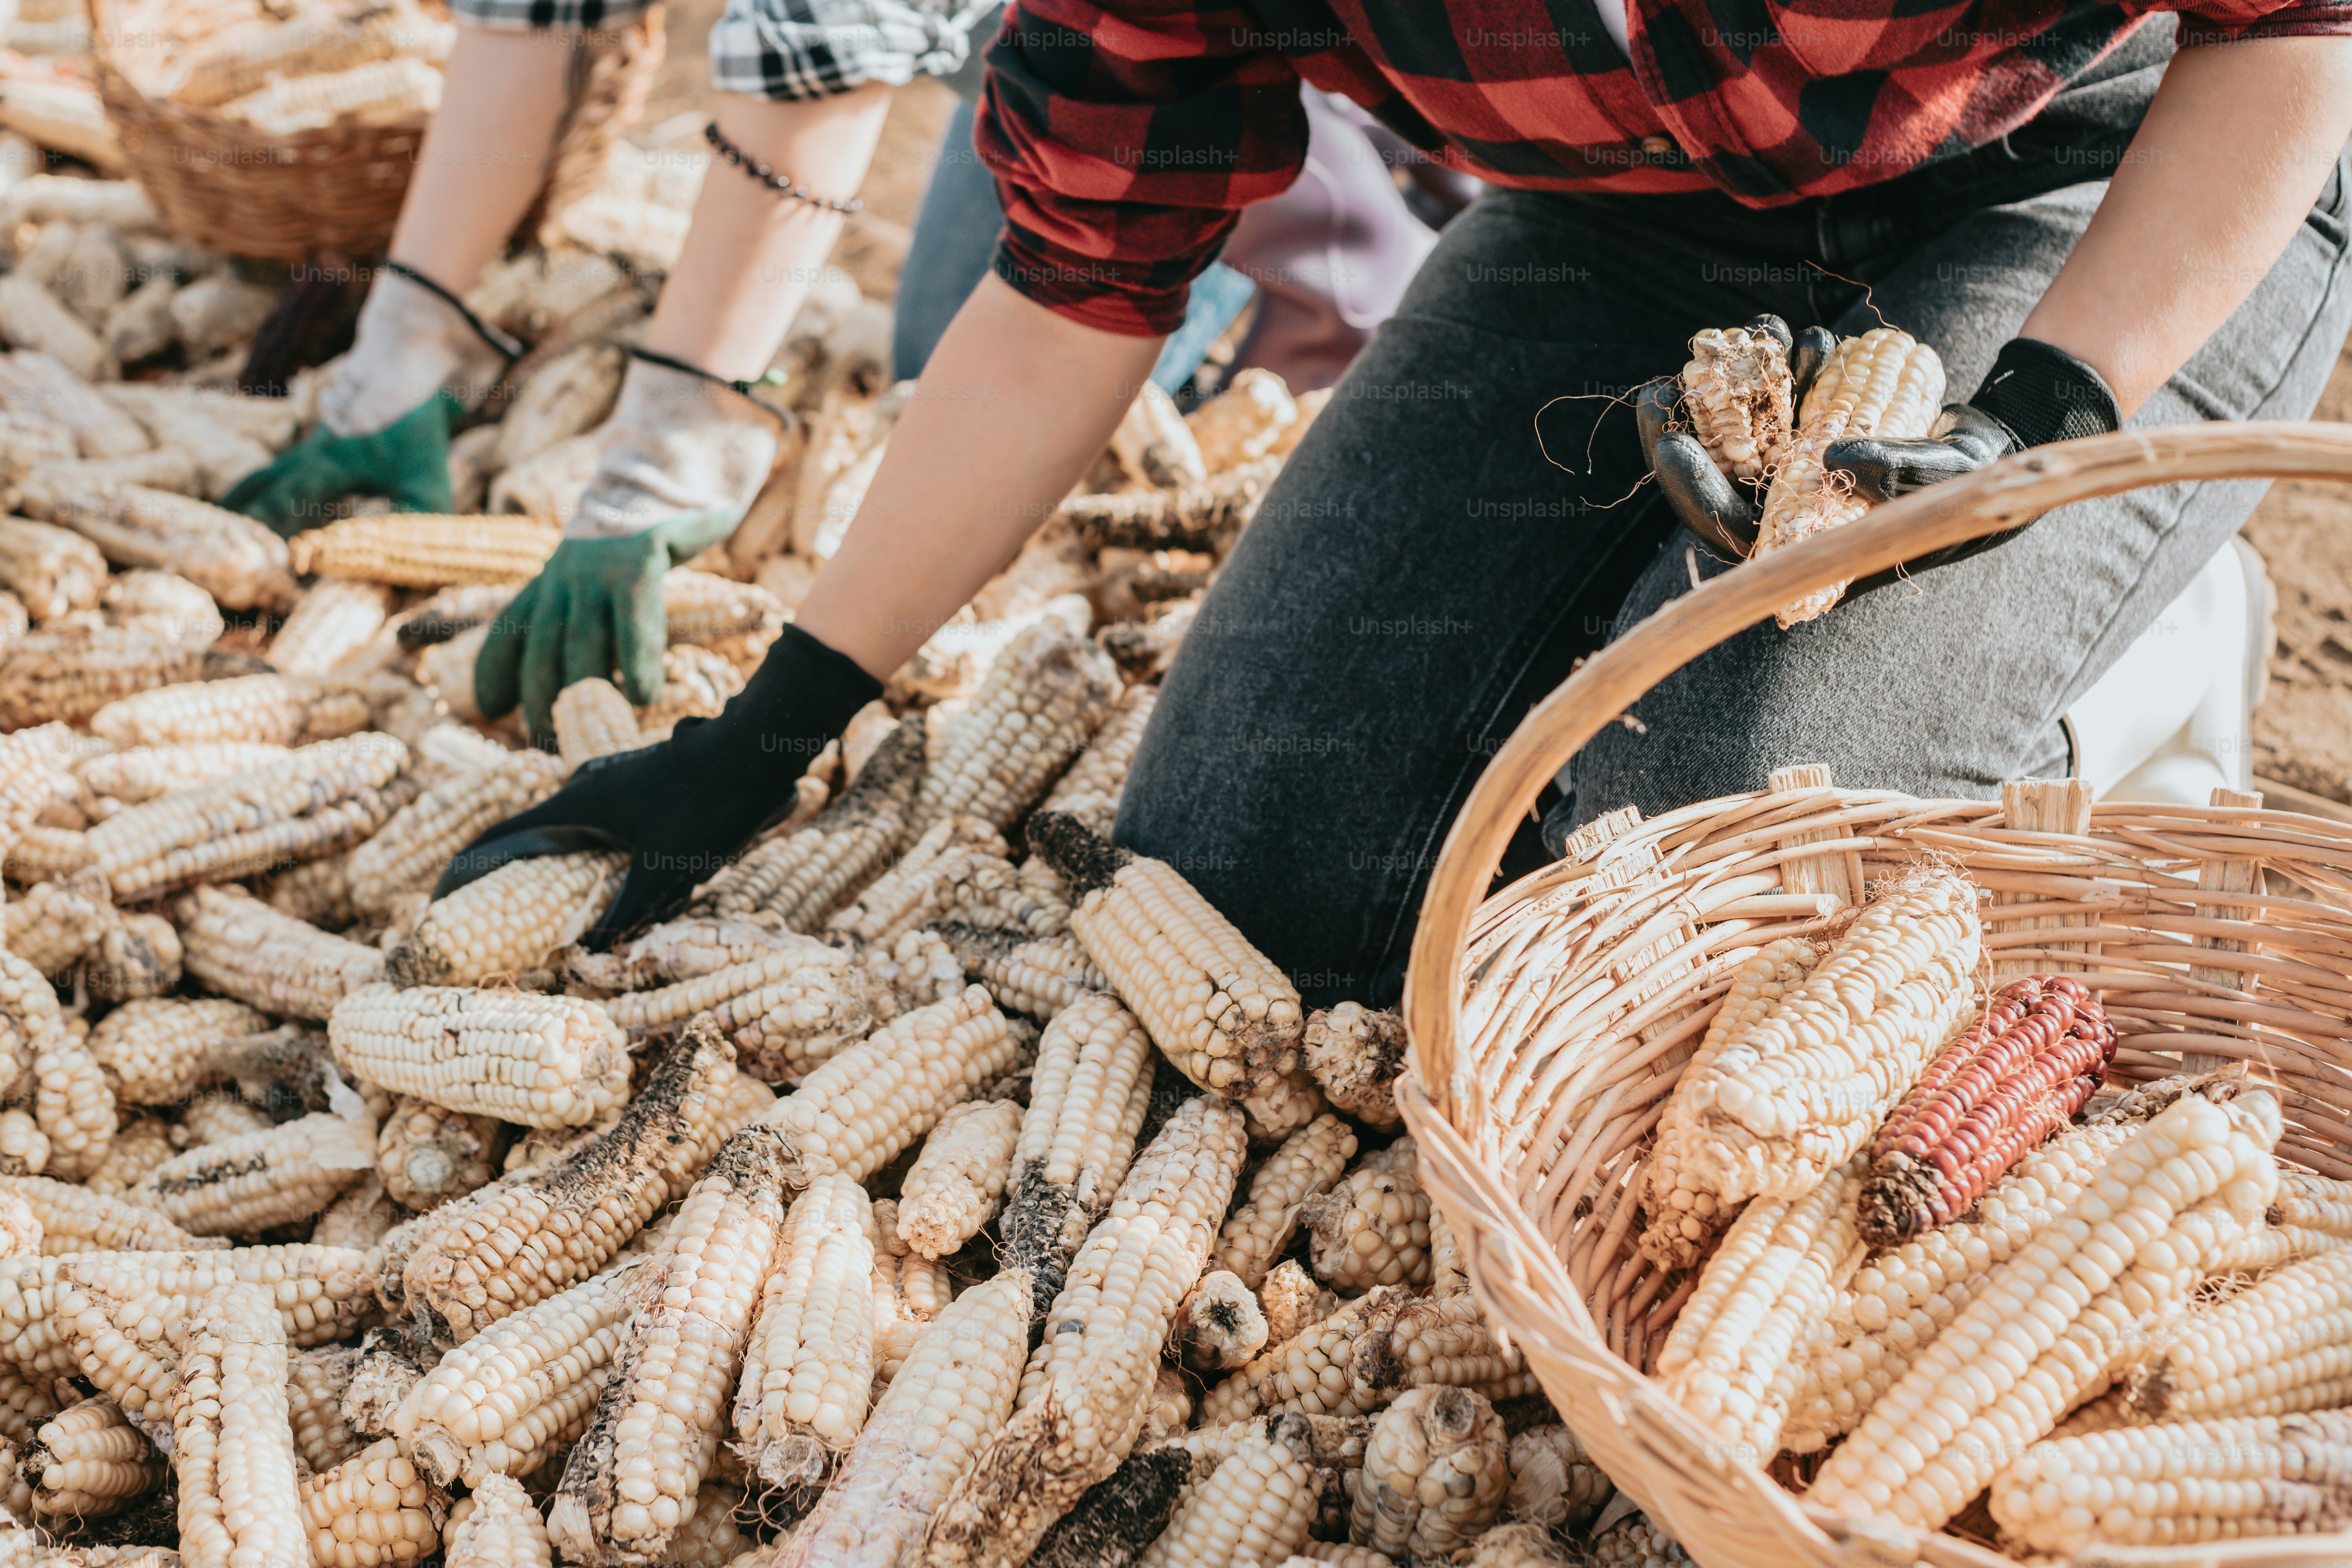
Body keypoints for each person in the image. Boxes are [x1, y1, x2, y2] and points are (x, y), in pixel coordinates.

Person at [443, 0, 2352, 1014]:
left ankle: (2129, 622)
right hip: (1638, 223)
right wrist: (768, 731)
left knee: (1702, 868)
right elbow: (1065, 300)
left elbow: (2285, 27)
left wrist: (2042, 414)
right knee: (1257, 881)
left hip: (2101, 170)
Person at [224, 0, 988, 737]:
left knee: (968, 369)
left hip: (1085, 64)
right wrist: (407, 343)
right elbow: (529, 17)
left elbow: (823, 74)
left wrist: (669, 450)